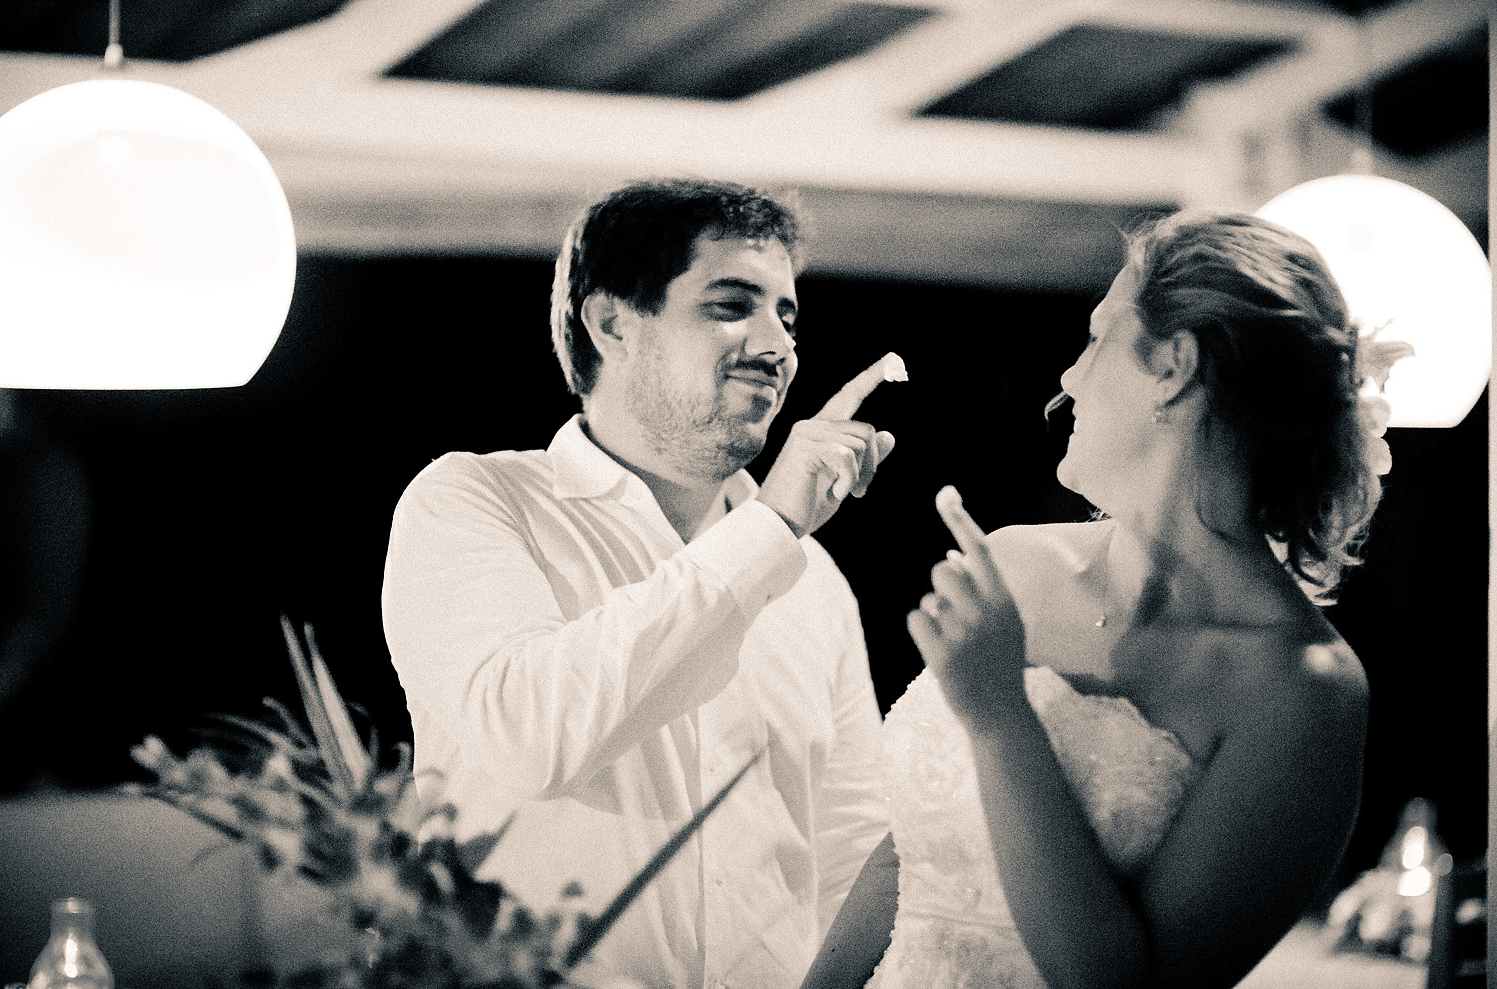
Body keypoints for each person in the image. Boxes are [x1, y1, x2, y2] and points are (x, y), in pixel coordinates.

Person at [803, 210, 1396, 989]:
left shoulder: (1302, 688)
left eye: (1095, 340)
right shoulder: (1013, 565)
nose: (1068, 379)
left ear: (1173, 366)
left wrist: (999, 714)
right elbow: (908, 856)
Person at [382, 180, 899, 989]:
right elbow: (529, 741)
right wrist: (769, 528)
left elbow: (849, 850)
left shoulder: (816, 582)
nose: (778, 346)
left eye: (787, 316)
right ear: (614, 323)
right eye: (732, 306)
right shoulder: (475, 501)